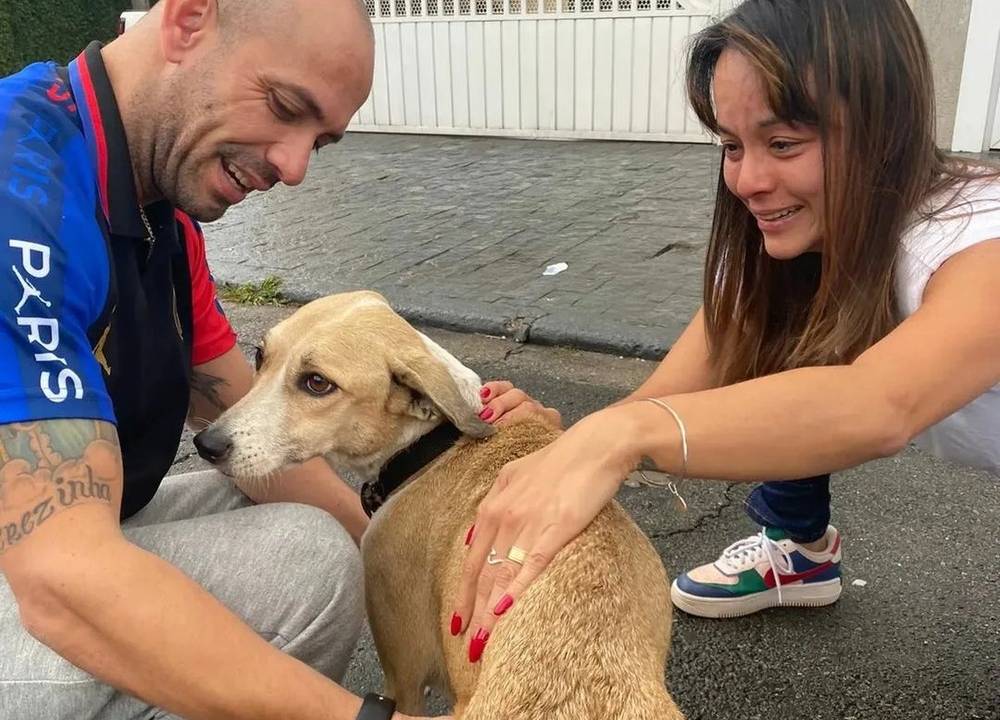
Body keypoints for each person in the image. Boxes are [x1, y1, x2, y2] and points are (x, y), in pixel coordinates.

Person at [453, 0, 1000, 661]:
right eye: (732, 146)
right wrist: (567, 448)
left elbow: (879, 406)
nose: (747, 180)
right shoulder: (800, 240)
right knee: (790, 335)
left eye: (784, 144)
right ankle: (797, 549)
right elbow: (677, 395)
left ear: (886, 126)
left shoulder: (977, 243)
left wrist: (619, 436)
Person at [0, 1, 442, 719]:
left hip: (60, 537)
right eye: (283, 106)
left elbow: (263, 430)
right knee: (114, 629)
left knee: (322, 537)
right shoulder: (19, 198)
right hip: (35, 567)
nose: (294, 167)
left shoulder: (160, 210)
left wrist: (426, 568)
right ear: (187, 20)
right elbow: (59, 584)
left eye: (319, 143)